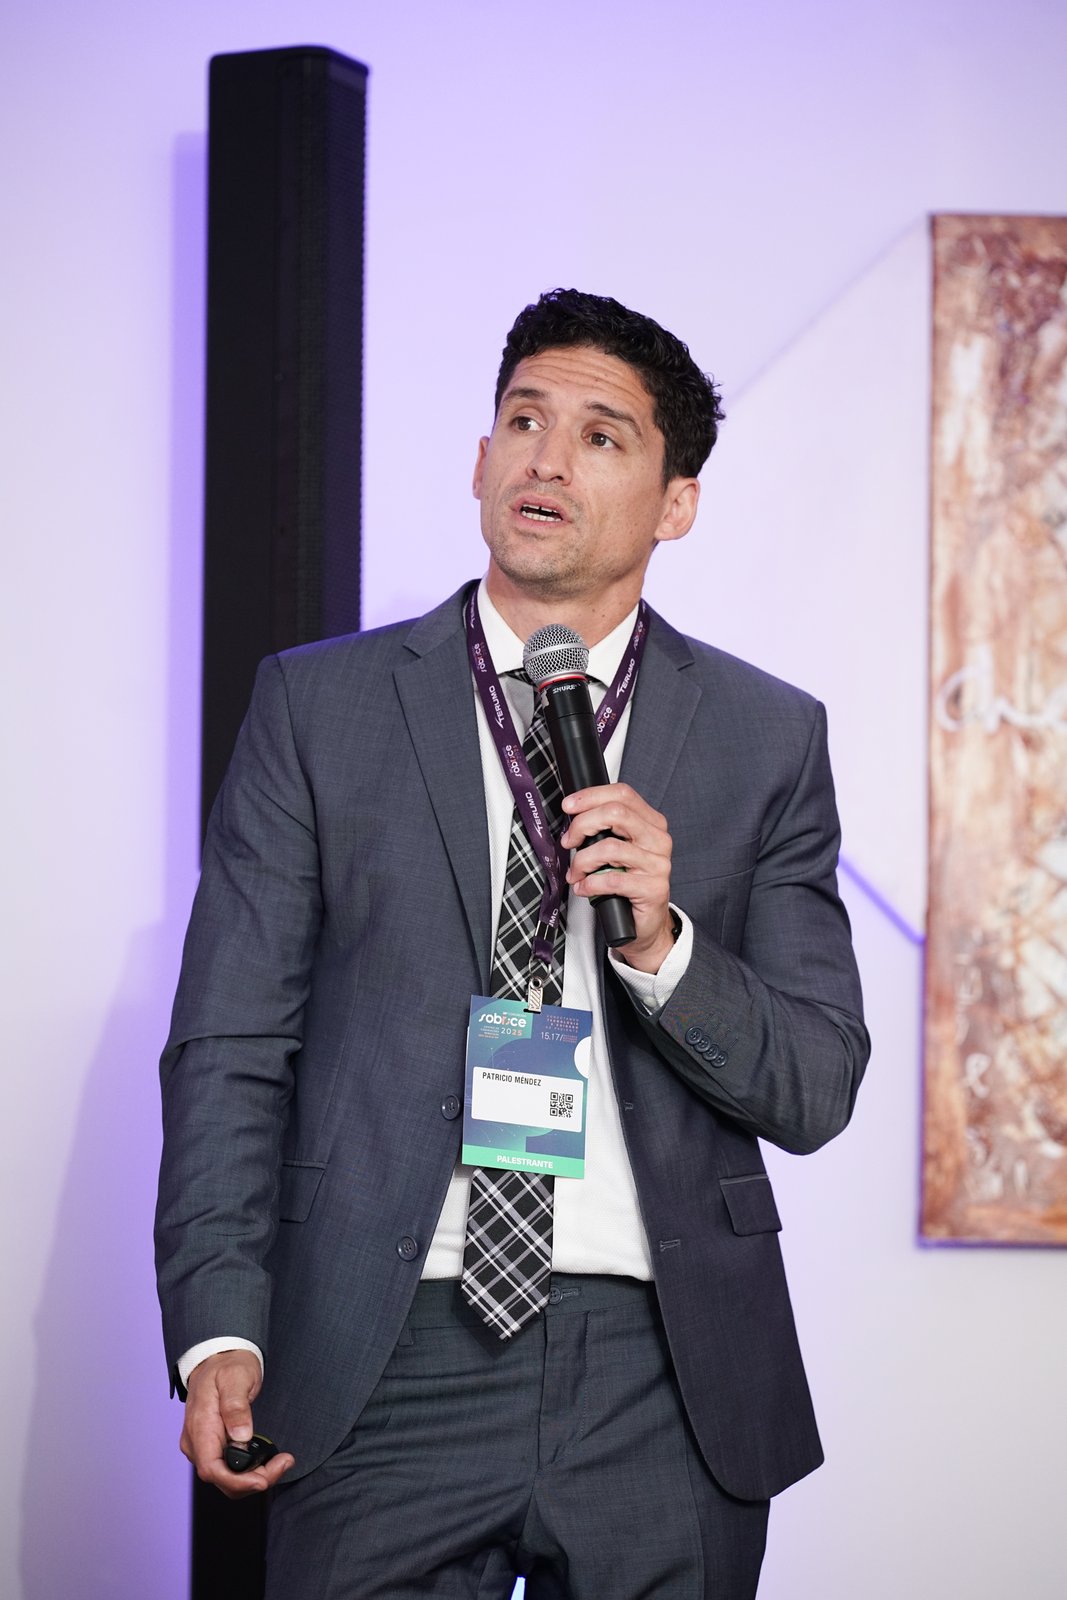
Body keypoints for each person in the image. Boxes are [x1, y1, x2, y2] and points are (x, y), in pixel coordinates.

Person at [156, 287, 870, 1598]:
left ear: (676, 503)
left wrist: (664, 947)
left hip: (664, 1369)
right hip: (384, 1346)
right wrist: (218, 1323)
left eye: (601, 436)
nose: (547, 459)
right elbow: (231, 1039)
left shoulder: (769, 738)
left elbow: (817, 1085)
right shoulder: (320, 707)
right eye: (525, 421)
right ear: (482, 458)